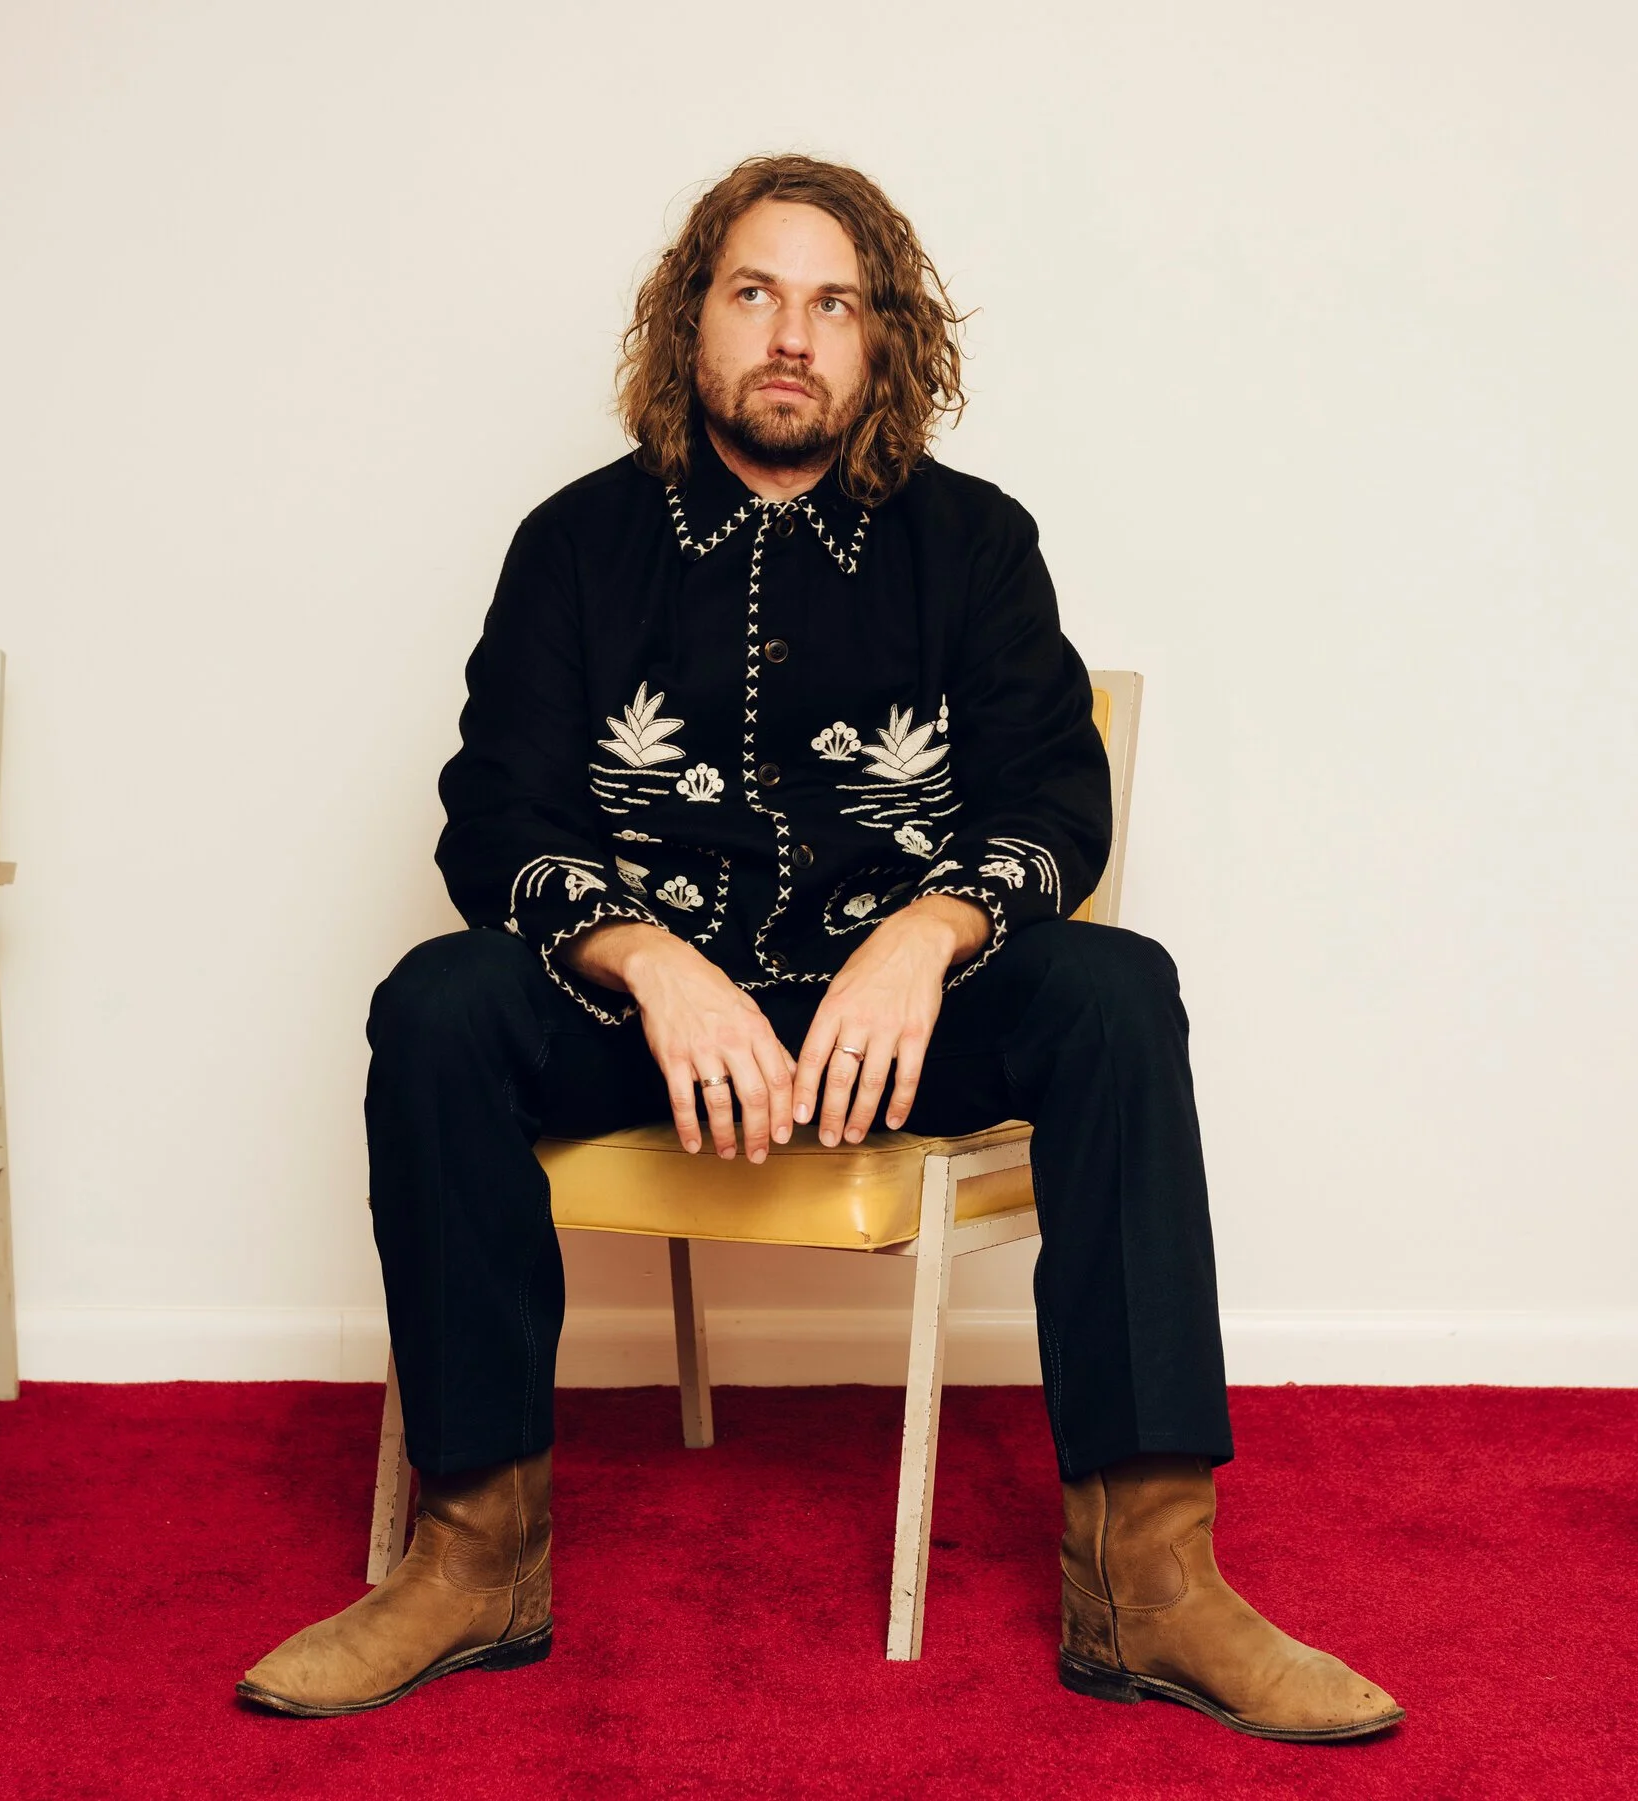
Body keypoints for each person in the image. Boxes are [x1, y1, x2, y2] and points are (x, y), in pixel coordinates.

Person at [238, 154, 1402, 1741]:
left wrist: (930, 933)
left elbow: (1060, 795)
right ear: (691, 321)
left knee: (1122, 994)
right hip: (660, 1013)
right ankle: (473, 1557)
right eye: (756, 292)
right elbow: (491, 817)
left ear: (883, 340)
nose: (794, 332)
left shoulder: (977, 543)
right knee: (437, 1007)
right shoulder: (574, 544)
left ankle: (1152, 1580)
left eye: (836, 301)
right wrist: (645, 960)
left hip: (898, 1011)